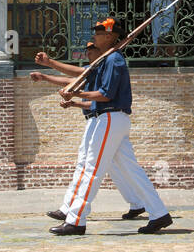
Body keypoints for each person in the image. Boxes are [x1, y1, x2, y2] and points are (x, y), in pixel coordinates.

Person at [52, 17, 173, 236]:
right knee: (132, 171)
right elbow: (83, 75)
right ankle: (159, 213)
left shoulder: (114, 60)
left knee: (91, 168)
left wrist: (75, 93)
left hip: (109, 116)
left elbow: (105, 95)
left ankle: (76, 219)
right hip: (109, 118)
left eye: (99, 33)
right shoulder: (105, 60)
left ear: (110, 36)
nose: (95, 36)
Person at [31, 41, 148, 222]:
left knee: (88, 166)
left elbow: (99, 96)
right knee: (121, 168)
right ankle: (139, 203)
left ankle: (72, 212)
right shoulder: (95, 71)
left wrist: (50, 63)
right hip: (101, 120)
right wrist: (46, 77)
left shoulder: (104, 67)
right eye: (86, 50)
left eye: (91, 49)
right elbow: (72, 81)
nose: (87, 53)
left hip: (105, 120)